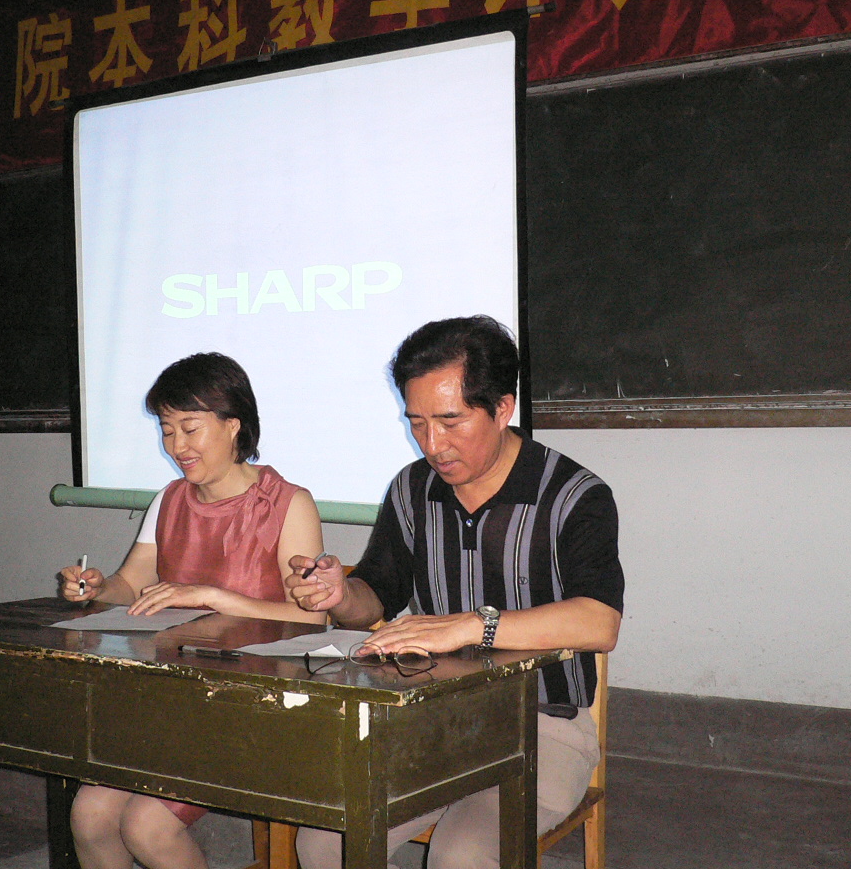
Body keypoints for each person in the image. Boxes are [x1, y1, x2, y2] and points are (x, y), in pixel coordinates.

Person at [286, 316, 624, 869]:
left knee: (461, 856)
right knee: (326, 842)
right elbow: (375, 597)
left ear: (502, 408)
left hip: (541, 726)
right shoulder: (412, 489)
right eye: (416, 423)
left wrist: (472, 624)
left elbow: (599, 622)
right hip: (430, 718)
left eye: (450, 421)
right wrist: (338, 595)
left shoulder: (572, 495)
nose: (432, 444)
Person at [58, 351, 326, 869]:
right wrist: (96, 588)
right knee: (89, 815)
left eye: (190, 429)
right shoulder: (171, 499)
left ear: (233, 424)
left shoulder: (289, 503)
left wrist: (212, 596)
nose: (176, 446)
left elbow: (312, 619)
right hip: (176, 699)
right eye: (167, 431)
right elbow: (131, 584)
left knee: (146, 826)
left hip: (254, 704)